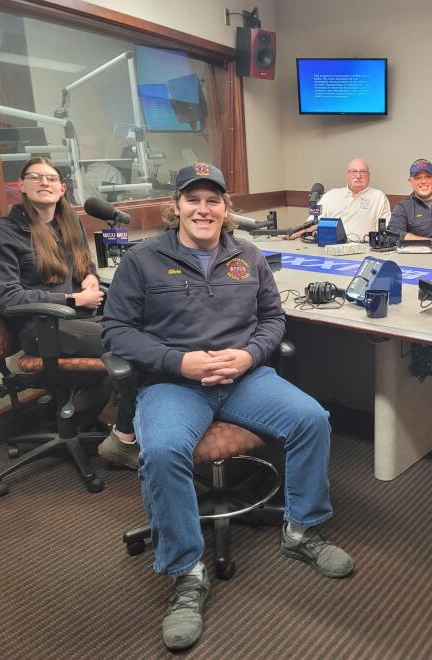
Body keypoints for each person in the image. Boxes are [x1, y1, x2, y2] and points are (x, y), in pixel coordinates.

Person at [101, 163, 354, 651]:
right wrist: (181, 362)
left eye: (212, 200)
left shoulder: (248, 255)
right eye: (192, 200)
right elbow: (117, 331)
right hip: (174, 383)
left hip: (244, 378)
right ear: (175, 207)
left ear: (224, 208)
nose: (203, 209)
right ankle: (186, 573)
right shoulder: (143, 260)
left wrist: (249, 355)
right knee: (164, 450)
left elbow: (271, 320)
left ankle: (302, 530)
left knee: (312, 420)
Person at [0, 157, 138, 470]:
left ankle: (116, 411)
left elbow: (82, 264)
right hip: (43, 328)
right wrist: (72, 297)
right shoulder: (3, 233)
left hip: (79, 320)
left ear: (62, 188)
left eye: (51, 178)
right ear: (22, 186)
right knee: (135, 347)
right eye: (35, 177)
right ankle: (123, 438)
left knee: (146, 328)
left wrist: (89, 276)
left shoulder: (68, 221)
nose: (44, 183)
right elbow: (6, 296)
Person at [287, 158, 390, 241]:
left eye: (363, 172)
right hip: (331, 248)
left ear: (369, 176)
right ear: (347, 175)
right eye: (354, 172)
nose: (358, 176)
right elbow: (312, 223)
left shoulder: (379, 197)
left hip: (363, 249)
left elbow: (383, 232)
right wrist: (294, 233)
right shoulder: (332, 195)